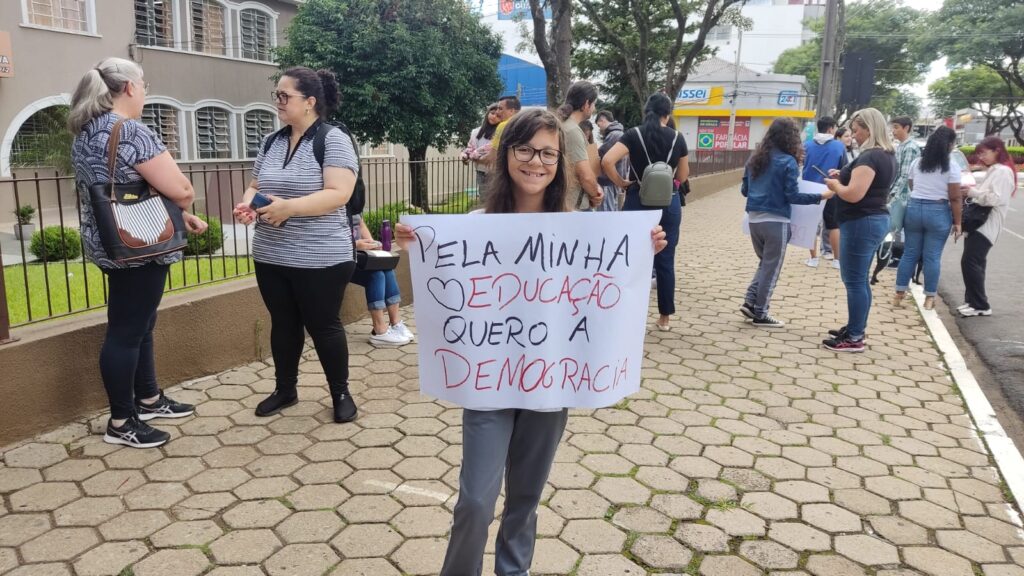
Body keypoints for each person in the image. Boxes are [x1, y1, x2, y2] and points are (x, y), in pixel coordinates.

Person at [395, 109, 667, 576]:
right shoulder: (476, 225)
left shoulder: (580, 230)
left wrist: (645, 249)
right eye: (525, 149)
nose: (535, 161)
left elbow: (609, 284)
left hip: (549, 385)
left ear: (560, 161)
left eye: (547, 152)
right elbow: (447, 278)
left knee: (524, 499)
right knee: (475, 501)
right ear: (507, 156)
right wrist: (415, 244)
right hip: (488, 384)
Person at [69, 57, 209, 448]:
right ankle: (121, 421)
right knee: (127, 332)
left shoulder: (86, 130)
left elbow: (127, 188)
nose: (145, 90)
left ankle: (147, 398)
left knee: (139, 324)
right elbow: (181, 188)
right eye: (143, 84)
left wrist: (183, 217)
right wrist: (185, 203)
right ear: (129, 88)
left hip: (112, 240)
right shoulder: (131, 131)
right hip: (141, 245)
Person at [232, 67, 361, 423]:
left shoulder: (333, 139)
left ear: (310, 102)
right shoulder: (272, 141)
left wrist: (288, 207)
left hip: (320, 255)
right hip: (271, 253)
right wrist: (249, 206)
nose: (278, 101)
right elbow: (256, 185)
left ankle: (340, 392)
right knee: (284, 323)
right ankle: (285, 389)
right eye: (277, 95)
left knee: (323, 325)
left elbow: (339, 193)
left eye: (284, 96)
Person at [602, 92, 689, 331]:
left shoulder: (633, 135)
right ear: (667, 114)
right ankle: (664, 319)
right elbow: (682, 176)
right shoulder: (678, 138)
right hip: (668, 204)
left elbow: (607, 161)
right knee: (665, 261)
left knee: (629, 258)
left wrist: (621, 183)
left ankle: (625, 314)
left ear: (647, 111)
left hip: (637, 201)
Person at [742, 118, 835, 328]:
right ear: (791, 138)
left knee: (765, 264)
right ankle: (761, 313)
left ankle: (750, 302)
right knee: (771, 268)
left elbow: (745, 191)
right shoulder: (788, 162)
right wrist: (821, 196)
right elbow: (793, 195)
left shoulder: (755, 159)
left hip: (754, 220)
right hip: (776, 222)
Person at [822, 108, 897, 352]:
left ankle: (854, 337)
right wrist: (842, 176)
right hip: (870, 220)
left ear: (869, 128)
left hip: (861, 222)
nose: (854, 135)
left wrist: (835, 184)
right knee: (860, 280)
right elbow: (862, 184)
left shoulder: (870, 157)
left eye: (856, 130)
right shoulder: (886, 155)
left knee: (854, 281)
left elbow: (854, 194)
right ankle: (856, 328)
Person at [892, 126, 962, 311]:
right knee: (932, 257)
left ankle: (899, 293)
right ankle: (930, 297)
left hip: (914, 209)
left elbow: (911, 184)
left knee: (910, 253)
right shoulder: (951, 166)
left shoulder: (918, 163)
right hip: (938, 211)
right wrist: (958, 222)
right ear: (949, 144)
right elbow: (955, 197)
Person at [958, 136, 1017, 317]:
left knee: (970, 262)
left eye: (984, 153)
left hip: (987, 225)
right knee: (975, 263)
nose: (981, 157)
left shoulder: (1003, 172)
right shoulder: (995, 170)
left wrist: (972, 192)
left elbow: (996, 199)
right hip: (981, 224)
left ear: (996, 150)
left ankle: (980, 305)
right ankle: (973, 302)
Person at [349, 210, 415, 346]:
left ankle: (395, 323)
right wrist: (355, 245)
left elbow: (361, 224)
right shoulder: (331, 202)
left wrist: (372, 244)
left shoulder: (352, 200)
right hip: (341, 258)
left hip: (359, 256)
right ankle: (379, 330)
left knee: (386, 268)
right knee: (376, 274)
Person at [802, 116, 846, 269]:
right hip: (831, 187)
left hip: (809, 188)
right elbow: (844, 169)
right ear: (830, 129)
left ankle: (813, 259)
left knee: (811, 224)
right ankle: (837, 260)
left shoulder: (806, 145)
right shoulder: (839, 146)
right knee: (834, 225)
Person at [557, 81, 604, 210]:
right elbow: (585, 176)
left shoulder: (564, 125)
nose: (594, 109)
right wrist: (597, 194)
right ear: (586, 104)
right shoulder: (572, 131)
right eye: (594, 104)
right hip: (575, 205)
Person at [888, 115, 921, 248]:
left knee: (897, 228)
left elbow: (905, 176)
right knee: (894, 228)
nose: (893, 131)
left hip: (904, 196)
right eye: (893, 128)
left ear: (906, 128)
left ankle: (896, 256)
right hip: (899, 193)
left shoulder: (910, 148)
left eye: (896, 127)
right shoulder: (901, 146)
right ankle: (892, 255)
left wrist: (893, 194)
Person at [462, 103, 500, 200]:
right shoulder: (476, 132)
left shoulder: (500, 132)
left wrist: (472, 156)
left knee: (495, 200)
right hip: (481, 171)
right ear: (487, 113)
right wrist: (464, 154)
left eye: (498, 116)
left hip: (495, 172)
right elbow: (470, 147)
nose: (494, 116)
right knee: (484, 200)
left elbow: (488, 149)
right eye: (492, 113)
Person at [596, 110, 628, 212]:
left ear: (603, 120)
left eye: (598, 124)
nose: (599, 128)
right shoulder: (618, 133)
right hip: (615, 179)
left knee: (606, 212)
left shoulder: (614, 135)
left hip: (608, 180)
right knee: (612, 209)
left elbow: (601, 154)